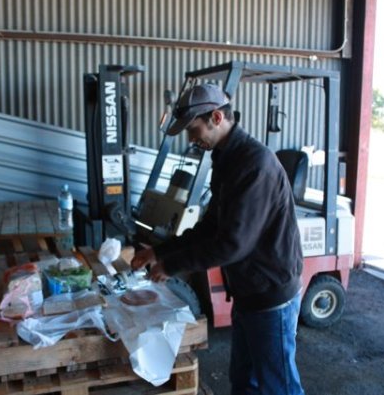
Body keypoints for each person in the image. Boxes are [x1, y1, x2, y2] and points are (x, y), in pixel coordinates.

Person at [131, 83, 305, 395]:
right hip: (247, 290)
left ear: (216, 117)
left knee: (279, 387)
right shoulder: (226, 159)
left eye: (194, 130)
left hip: (270, 294)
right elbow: (210, 226)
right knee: (243, 381)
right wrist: (159, 251)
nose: (191, 139)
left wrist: (171, 265)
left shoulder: (255, 163)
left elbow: (233, 244)